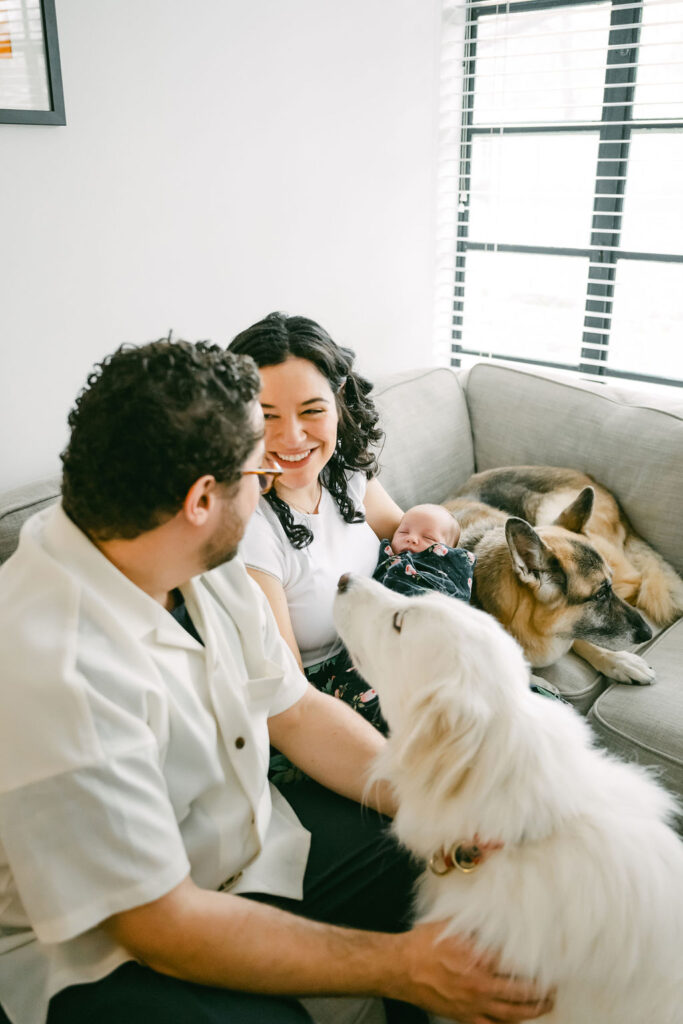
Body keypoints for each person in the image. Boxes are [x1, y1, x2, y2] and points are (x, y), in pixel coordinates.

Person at [0, 338, 553, 1024]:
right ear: (202, 497)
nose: (269, 484)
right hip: (106, 947)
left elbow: (295, 713)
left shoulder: (197, 560)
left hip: (249, 848)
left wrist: (439, 808)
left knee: (441, 868)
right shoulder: (55, 670)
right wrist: (405, 967)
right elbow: (162, 928)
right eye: (253, 473)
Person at [375, 503, 475, 602]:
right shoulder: (384, 555)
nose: (411, 538)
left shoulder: (449, 571)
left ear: (448, 551)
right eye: (403, 532)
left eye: (428, 538)